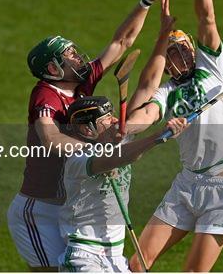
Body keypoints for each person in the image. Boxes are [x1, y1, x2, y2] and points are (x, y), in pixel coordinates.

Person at [7, 0, 176, 271]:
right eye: (68, 55)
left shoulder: (81, 84)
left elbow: (122, 42)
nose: (78, 57)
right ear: (53, 68)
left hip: (69, 205)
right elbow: (50, 139)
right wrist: (94, 152)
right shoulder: (45, 95)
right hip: (40, 208)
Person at [126, 0, 223, 272]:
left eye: (182, 48)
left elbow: (206, 18)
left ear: (193, 50)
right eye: (170, 53)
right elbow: (146, 115)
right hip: (187, 185)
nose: (178, 56)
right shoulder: (166, 92)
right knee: (136, 265)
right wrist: (126, 126)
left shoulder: (213, 66)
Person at [58, 96, 188, 272]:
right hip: (85, 257)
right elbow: (120, 156)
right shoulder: (78, 158)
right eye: (107, 118)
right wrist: (158, 137)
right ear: (87, 129)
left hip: (116, 257)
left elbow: (147, 98)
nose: (116, 120)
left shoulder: (118, 140)